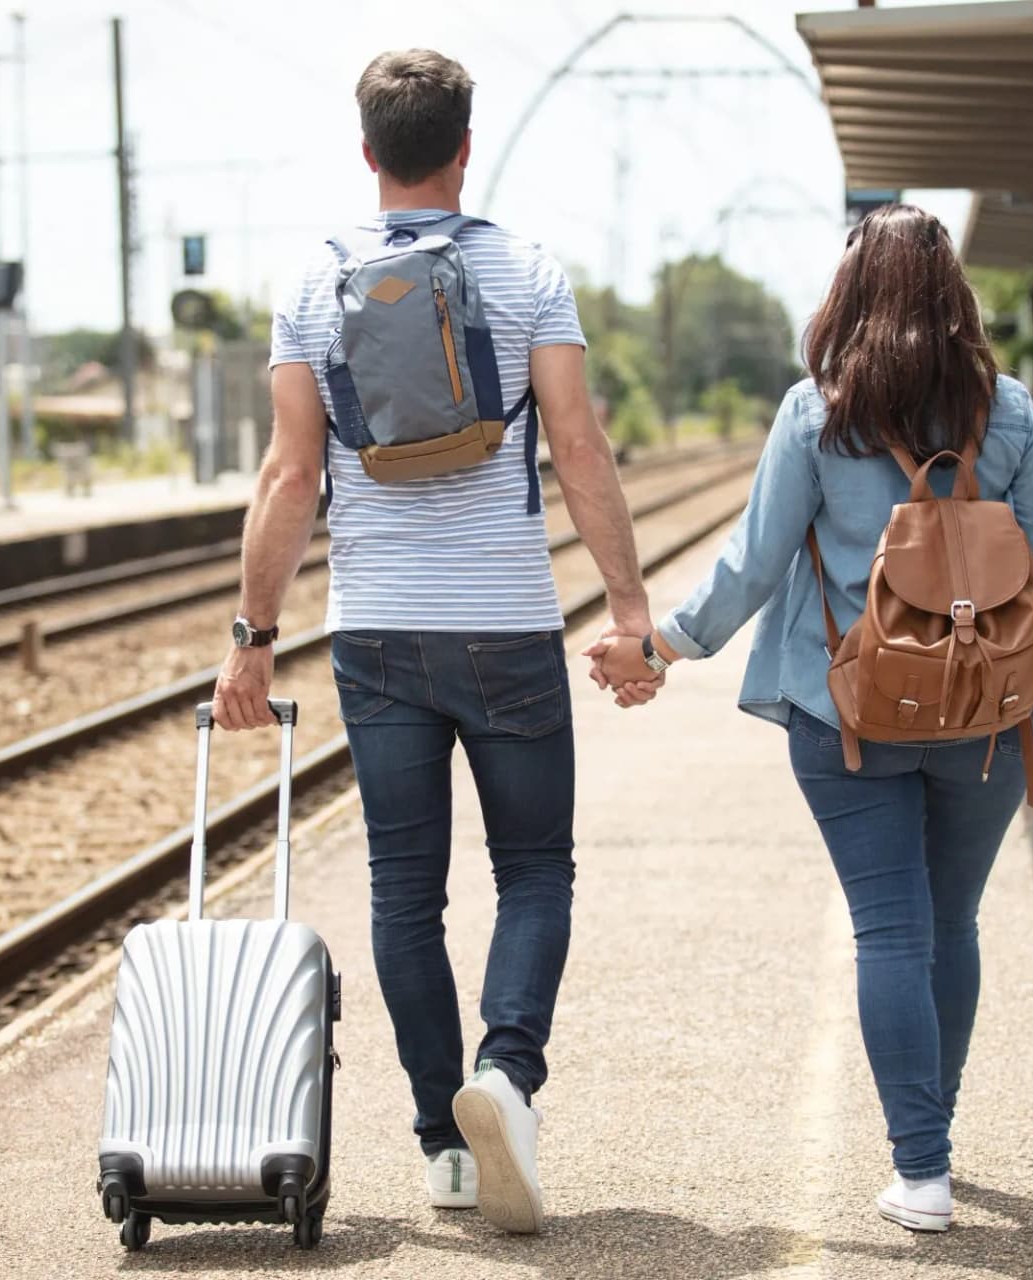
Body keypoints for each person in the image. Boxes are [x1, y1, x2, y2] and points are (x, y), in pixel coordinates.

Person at [211, 48, 652, 1235]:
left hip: (378, 632)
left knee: (406, 896)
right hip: (506, 622)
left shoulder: (313, 282)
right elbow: (579, 446)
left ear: (369, 153)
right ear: (467, 145)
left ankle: (442, 1148)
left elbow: (291, 474)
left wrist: (253, 639)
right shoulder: (526, 269)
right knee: (536, 869)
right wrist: (626, 606)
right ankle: (506, 1073)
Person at [591, 204, 1033, 1234]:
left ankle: (924, 1169)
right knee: (951, 923)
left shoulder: (818, 414)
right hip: (987, 714)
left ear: (851, 290)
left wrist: (659, 650)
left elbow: (753, 563)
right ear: (953, 296)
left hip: (848, 715)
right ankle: (931, 1144)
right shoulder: (1013, 412)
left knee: (892, 928)